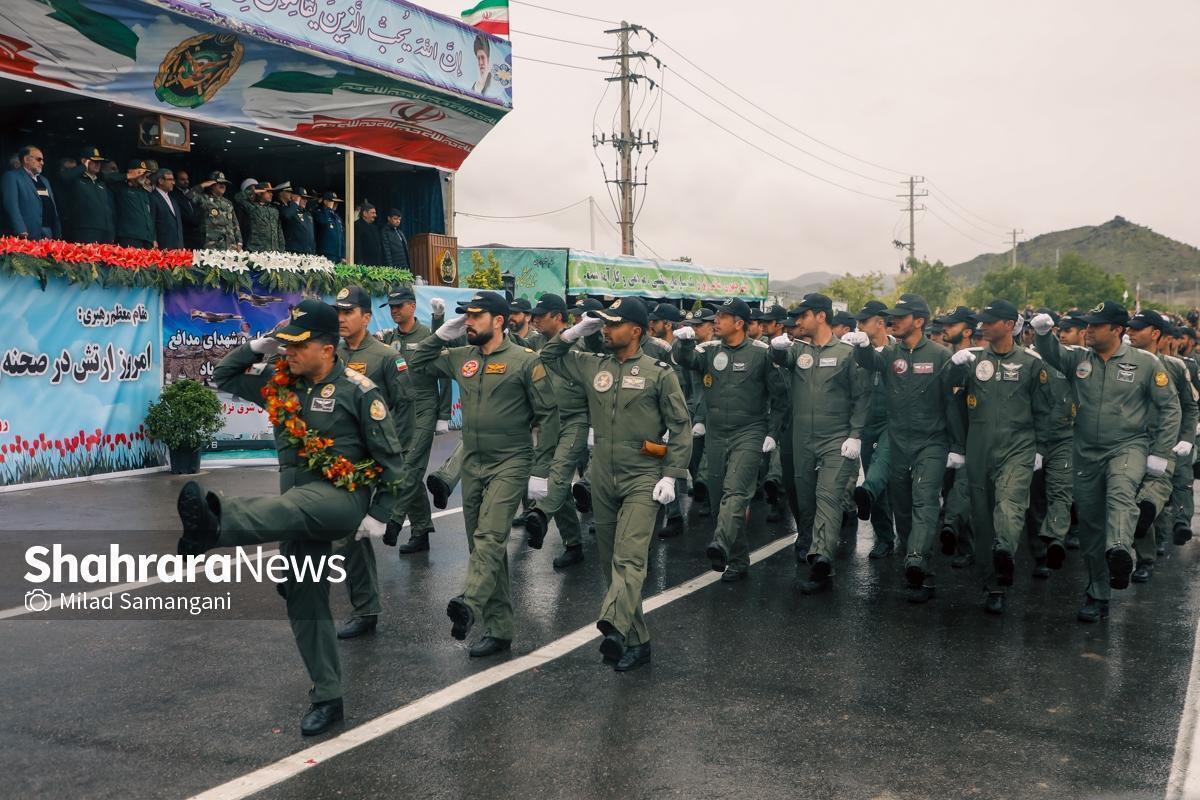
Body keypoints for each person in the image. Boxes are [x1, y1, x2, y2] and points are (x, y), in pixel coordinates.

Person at [179, 298, 406, 735]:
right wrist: (256, 347)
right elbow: (223, 376)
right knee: (305, 600)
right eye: (284, 346)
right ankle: (328, 697)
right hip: (295, 507)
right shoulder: (279, 382)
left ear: (327, 347)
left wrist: (380, 514)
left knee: (292, 508)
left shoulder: (358, 391)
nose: (288, 353)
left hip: (342, 501)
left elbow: (391, 461)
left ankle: (216, 522)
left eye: (296, 346)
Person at [540, 298, 692, 671]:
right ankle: (638, 641)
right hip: (602, 475)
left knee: (630, 558)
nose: (606, 329)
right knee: (610, 564)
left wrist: (671, 474)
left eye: (614, 324)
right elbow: (550, 357)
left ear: (636, 331)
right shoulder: (594, 366)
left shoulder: (659, 373)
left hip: (643, 475)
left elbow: (681, 427)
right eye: (603, 324)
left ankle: (612, 624)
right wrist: (576, 332)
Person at [408, 292, 558, 658]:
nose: (469, 321)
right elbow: (418, 364)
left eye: (476, 316)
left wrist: (540, 471)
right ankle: (500, 628)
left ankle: (468, 602)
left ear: (500, 321)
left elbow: (549, 415)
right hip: (473, 462)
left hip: (511, 462)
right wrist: (442, 334)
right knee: (482, 546)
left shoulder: (526, 361)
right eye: (467, 316)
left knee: (491, 537)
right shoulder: (463, 358)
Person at [1031, 302, 1180, 622]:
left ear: (1116, 329)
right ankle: (1098, 592)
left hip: (1128, 446)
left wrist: (1160, 452)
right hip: (1085, 452)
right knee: (1090, 524)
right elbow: (1052, 353)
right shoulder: (1078, 359)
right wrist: (1043, 333)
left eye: (1095, 325)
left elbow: (1170, 408)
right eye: (1087, 324)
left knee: (1122, 493)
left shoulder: (1145, 363)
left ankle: (1120, 552)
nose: (1088, 329)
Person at [845, 295, 965, 603]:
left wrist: (958, 446)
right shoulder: (890, 354)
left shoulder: (940, 355)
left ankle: (916, 559)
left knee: (925, 501)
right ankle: (917, 564)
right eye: (891, 317)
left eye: (900, 316)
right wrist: (860, 346)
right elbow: (869, 361)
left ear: (919, 321)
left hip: (932, 442)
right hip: (898, 441)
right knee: (902, 508)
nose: (893, 321)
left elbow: (952, 403)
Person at [946, 299, 1053, 614]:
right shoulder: (972, 360)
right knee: (982, 519)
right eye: (983, 321)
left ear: (1009, 325)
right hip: (979, 447)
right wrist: (951, 368)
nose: (984, 326)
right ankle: (994, 585)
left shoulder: (1032, 363)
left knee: (1009, 504)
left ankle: (1005, 551)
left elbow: (1046, 411)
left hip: (1017, 447)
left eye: (991, 321)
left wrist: (1040, 449)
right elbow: (949, 397)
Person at [675, 298, 787, 582]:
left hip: (749, 432)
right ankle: (737, 559)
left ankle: (721, 544)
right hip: (716, 433)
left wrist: (772, 433)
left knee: (736, 492)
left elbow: (780, 397)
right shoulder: (709, 351)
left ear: (739, 323)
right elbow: (686, 360)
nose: (716, 320)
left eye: (723, 316)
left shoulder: (762, 354)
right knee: (717, 499)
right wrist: (685, 343)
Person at [330, 285, 414, 639]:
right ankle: (362, 606)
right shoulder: (330, 353)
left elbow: (403, 404)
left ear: (366, 316)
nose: (342, 319)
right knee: (339, 533)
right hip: (332, 457)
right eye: (338, 311)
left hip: (365, 461)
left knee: (351, 536)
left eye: (349, 312)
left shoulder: (384, 357)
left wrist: (390, 453)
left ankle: (365, 609)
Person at [768, 293, 866, 592]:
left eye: (803, 315)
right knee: (804, 496)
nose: (797, 322)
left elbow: (862, 396)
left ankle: (822, 559)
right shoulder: (798, 350)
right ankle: (810, 541)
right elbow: (780, 360)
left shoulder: (848, 352)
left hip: (836, 438)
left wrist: (855, 434)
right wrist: (775, 349)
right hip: (802, 438)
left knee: (828, 496)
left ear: (821, 316)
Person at [516, 293, 589, 566]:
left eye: (541, 315)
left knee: (558, 475)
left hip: (574, 420)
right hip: (546, 422)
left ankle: (541, 517)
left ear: (558, 317)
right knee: (551, 483)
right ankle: (574, 542)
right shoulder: (535, 343)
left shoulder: (581, 344)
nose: (534, 319)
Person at [1126, 309, 1197, 583]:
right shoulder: (1123, 362)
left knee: (1150, 500)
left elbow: (1190, 408)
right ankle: (1143, 552)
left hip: (1164, 444)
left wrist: (1187, 439)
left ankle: (1146, 558)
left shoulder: (1177, 367)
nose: (1129, 333)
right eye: (1129, 328)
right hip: (1130, 442)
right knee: (1132, 502)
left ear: (1155, 333)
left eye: (1137, 328)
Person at [382, 289, 449, 554]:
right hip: (399, 411)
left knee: (409, 467)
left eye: (400, 305)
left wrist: (443, 415)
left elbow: (444, 375)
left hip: (424, 408)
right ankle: (421, 531)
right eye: (391, 306)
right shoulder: (390, 338)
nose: (395, 310)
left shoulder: (427, 337)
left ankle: (394, 520)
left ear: (412, 306)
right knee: (404, 469)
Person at [850, 300, 897, 558]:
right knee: (876, 483)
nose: (858, 325)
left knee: (879, 476)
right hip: (867, 423)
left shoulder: (897, 349)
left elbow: (877, 361)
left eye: (864, 321)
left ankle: (913, 539)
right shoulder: (856, 351)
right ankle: (885, 538)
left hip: (892, 422)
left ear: (880, 321)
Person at [2, 145, 60, 239]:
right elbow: (11, 206)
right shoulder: (12, 176)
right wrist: (20, 229)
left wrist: (57, 229)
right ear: (26, 159)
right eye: (39, 159)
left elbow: (52, 205)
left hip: (48, 231)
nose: (42, 163)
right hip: (28, 232)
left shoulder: (44, 180)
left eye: (42, 160)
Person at [60, 146, 115, 244]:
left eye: (99, 162)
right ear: (84, 161)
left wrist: (110, 230)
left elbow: (107, 208)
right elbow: (63, 178)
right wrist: (83, 167)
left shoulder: (100, 182)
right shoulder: (76, 179)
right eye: (94, 161)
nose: (98, 164)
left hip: (104, 231)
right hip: (84, 230)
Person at [188, 171, 242, 250]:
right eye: (219, 183)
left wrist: (239, 242)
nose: (223, 185)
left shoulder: (228, 203)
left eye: (224, 184)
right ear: (211, 185)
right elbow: (188, 196)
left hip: (230, 245)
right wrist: (202, 185)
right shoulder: (203, 198)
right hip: (212, 245)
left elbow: (235, 223)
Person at [110, 159, 155, 249]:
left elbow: (149, 217)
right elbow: (105, 177)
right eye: (139, 172)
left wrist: (153, 238)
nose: (143, 176)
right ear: (130, 172)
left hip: (146, 239)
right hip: (129, 237)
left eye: (145, 173)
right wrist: (129, 175)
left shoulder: (144, 191)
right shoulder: (120, 187)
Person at [235, 182, 285, 252]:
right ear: (260, 192)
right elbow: (238, 197)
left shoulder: (274, 210)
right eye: (268, 192)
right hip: (256, 250)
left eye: (272, 192)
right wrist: (253, 191)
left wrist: (281, 250)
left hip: (273, 251)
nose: (271, 194)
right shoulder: (251, 207)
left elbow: (279, 231)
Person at [149, 169, 185, 250]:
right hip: (162, 247)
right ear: (161, 181)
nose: (173, 183)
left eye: (173, 180)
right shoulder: (152, 197)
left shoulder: (173, 200)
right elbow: (151, 221)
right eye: (170, 180)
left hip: (178, 248)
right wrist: (153, 240)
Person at [280, 186, 316, 254]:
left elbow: (311, 234)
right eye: (302, 198)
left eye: (306, 198)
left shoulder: (307, 213)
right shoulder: (288, 209)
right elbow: (286, 215)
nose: (305, 200)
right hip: (294, 250)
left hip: (308, 251)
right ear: (293, 197)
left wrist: (313, 249)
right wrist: (295, 202)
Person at [315, 191, 345, 262]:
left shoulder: (337, 217)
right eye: (332, 201)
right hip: (325, 254)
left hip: (337, 254)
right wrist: (327, 209)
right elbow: (323, 221)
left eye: (336, 202)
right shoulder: (319, 213)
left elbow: (341, 236)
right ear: (325, 201)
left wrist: (343, 254)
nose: (335, 204)